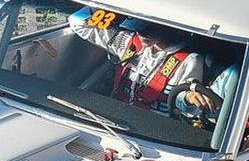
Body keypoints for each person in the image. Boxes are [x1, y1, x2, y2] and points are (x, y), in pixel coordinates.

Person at [68, 7, 206, 114]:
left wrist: (189, 98)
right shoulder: (128, 41)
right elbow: (77, 22)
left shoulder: (189, 60)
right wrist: (118, 10)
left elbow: (189, 108)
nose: (142, 32)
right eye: (139, 24)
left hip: (152, 129)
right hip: (113, 118)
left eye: (151, 27)